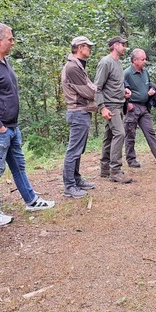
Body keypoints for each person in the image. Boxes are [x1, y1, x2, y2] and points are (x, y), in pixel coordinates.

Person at [0, 23, 55, 226]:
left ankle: (31, 201)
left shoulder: (4, 62)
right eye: (10, 38)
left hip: (11, 127)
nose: (13, 42)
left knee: (19, 166)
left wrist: (9, 126)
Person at [123, 48, 156, 167]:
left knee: (150, 132)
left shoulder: (145, 72)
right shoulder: (126, 73)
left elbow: (147, 85)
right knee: (130, 134)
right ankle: (131, 160)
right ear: (135, 60)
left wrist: (151, 92)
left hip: (144, 107)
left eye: (145, 59)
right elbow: (120, 90)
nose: (145, 61)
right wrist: (127, 104)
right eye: (143, 59)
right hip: (132, 108)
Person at [61, 36, 98, 199]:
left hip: (81, 111)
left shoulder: (78, 66)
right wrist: (100, 93)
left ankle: (76, 180)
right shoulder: (72, 68)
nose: (90, 49)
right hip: (77, 112)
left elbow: (90, 87)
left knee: (78, 149)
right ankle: (69, 186)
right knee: (74, 150)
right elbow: (89, 91)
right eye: (88, 46)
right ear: (80, 47)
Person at [94, 36, 133, 183]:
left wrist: (124, 91)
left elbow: (114, 84)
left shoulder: (118, 63)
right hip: (110, 106)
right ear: (116, 46)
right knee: (120, 134)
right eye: (123, 45)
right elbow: (97, 87)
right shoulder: (105, 62)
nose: (124, 47)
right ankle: (115, 171)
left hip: (118, 104)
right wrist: (102, 107)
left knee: (110, 136)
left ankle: (105, 168)